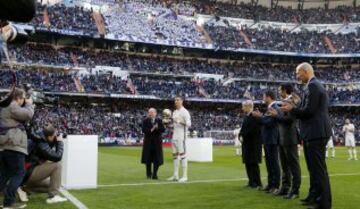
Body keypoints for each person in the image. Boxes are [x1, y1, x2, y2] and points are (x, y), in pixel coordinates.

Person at [281, 62, 332, 209]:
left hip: (316, 132)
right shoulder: (313, 85)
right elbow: (307, 109)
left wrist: (292, 109)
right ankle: (314, 196)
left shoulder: (313, 86)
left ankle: (324, 203)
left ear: (305, 71)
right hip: (313, 132)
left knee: (318, 169)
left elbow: (309, 111)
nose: (297, 76)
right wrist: (295, 106)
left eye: (298, 73)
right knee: (314, 169)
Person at [0, 88, 34, 209]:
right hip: (13, 145)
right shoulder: (12, 104)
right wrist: (29, 104)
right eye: (23, 98)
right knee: (19, 172)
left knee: (4, 175)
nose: (24, 101)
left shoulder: (5, 105)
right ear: (18, 98)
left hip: (5, 145)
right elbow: (28, 114)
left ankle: (7, 202)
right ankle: (8, 203)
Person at [268, 84, 301, 199]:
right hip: (282, 137)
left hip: (290, 137)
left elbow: (290, 120)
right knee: (284, 165)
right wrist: (275, 116)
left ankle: (295, 190)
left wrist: (276, 116)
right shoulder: (284, 101)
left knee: (293, 165)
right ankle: (285, 187)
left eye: (279, 90)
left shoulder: (291, 102)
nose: (278, 92)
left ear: (284, 90)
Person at [20, 124, 67, 204]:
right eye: (54, 135)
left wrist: (55, 141)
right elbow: (57, 157)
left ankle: (26, 189)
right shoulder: (41, 142)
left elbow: (48, 147)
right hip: (28, 171)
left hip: (26, 173)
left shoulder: (40, 137)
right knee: (57, 165)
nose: (56, 137)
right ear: (49, 137)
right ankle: (53, 197)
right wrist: (60, 142)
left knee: (53, 185)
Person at [252, 91, 281, 194]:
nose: (263, 98)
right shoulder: (270, 108)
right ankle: (270, 184)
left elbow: (269, 123)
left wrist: (260, 117)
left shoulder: (275, 108)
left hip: (272, 139)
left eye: (264, 96)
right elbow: (266, 121)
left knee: (274, 163)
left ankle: (276, 186)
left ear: (269, 97)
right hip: (268, 139)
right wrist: (261, 117)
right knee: (269, 163)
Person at [167, 96, 191, 183]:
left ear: (182, 101)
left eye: (178, 100)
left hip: (182, 136)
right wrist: (168, 125)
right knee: (174, 156)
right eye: (175, 100)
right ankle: (175, 175)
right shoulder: (175, 112)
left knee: (183, 155)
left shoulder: (185, 112)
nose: (176, 101)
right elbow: (174, 124)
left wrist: (179, 121)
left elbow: (189, 124)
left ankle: (185, 176)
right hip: (175, 135)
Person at [239, 100, 262, 189]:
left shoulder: (254, 116)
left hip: (253, 144)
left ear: (248, 106)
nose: (242, 108)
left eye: (243, 106)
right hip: (247, 144)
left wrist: (243, 135)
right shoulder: (247, 116)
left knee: (253, 164)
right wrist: (240, 135)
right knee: (248, 163)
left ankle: (257, 182)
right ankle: (251, 182)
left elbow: (253, 130)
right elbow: (243, 129)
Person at [141, 108, 165, 180]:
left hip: (157, 143)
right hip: (148, 143)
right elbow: (143, 130)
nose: (150, 113)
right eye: (149, 112)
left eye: (152, 112)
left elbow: (163, 130)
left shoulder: (159, 120)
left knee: (157, 160)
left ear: (155, 113)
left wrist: (157, 128)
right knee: (148, 159)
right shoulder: (145, 120)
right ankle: (148, 174)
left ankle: (155, 174)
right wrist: (152, 129)